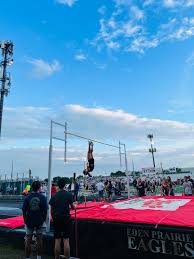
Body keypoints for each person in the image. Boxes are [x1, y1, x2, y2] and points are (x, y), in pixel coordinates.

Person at [49, 178, 77, 259]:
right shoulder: (68, 195)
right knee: (66, 240)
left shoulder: (54, 196)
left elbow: (51, 208)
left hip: (56, 218)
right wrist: (75, 205)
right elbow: (73, 208)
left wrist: (53, 218)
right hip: (66, 219)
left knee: (57, 240)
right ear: (65, 185)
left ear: (58, 186)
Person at [22, 181, 48, 259]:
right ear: (39, 188)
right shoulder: (43, 197)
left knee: (28, 240)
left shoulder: (27, 197)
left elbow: (24, 210)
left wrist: (25, 220)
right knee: (40, 240)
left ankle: (27, 257)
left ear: (31, 188)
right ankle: (39, 257)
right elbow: (45, 210)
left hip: (29, 221)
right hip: (39, 221)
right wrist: (43, 220)